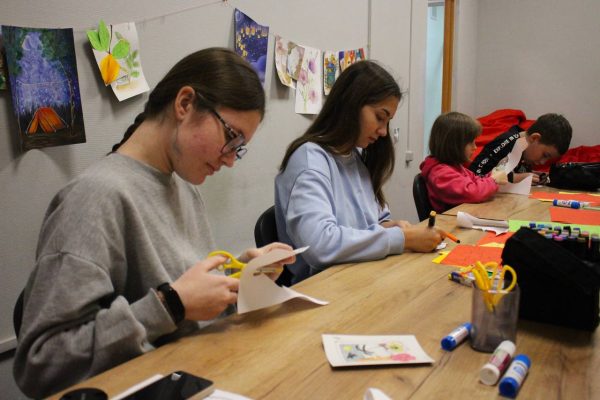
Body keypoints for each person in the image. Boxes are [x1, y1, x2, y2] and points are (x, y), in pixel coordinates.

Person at [13, 47, 294, 399]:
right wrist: (169, 304)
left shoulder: (183, 187)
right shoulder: (94, 199)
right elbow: (41, 364)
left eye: (239, 148)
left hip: (202, 377)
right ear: (185, 104)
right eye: (231, 137)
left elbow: (187, 298)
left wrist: (241, 277)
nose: (230, 160)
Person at [274, 60, 443, 285]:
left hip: (360, 277)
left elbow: (372, 221)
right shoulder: (310, 160)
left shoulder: (354, 157)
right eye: (379, 117)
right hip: (323, 288)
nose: (383, 132)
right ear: (351, 105)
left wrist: (389, 226)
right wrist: (402, 238)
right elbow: (320, 245)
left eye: (388, 121)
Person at [420, 112, 508, 213]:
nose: (475, 147)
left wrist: (493, 175)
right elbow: (472, 193)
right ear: (454, 144)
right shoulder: (440, 173)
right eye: (471, 142)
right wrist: (494, 180)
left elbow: (475, 180)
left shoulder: (454, 166)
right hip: (450, 221)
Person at [468, 113, 572, 184]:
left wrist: (532, 175)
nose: (542, 162)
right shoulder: (507, 143)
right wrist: (514, 178)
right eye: (545, 155)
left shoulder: (526, 149)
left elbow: (513, 170)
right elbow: (474, 176)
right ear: (534, 138)